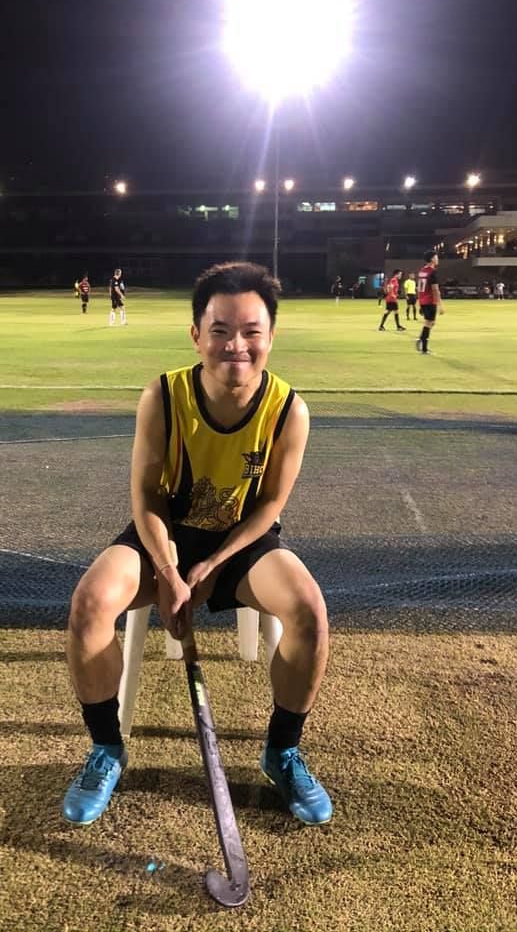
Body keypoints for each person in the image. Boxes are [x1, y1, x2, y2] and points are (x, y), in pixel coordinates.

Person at [63, 260, 332, 828]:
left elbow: (269, 507)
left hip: (239, 544)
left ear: (271, 335)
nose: (237, 345)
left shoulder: (289, 410)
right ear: (196, 334)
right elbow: (145, 497)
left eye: (251, 331)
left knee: (309, 609)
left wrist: (212, 563)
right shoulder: (164, 395)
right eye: (220, 330)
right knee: (90, 602)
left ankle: (282, 751)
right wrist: (168, 571)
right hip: (162, 535)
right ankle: (106, 748)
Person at [416, 250, 444, 355]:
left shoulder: (422, 271)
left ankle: (421, 339)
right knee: (429, 323)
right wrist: (440, 305)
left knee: (430, 322)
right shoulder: (432, 272)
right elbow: (435, 289)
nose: (437, 259)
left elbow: (419, 288)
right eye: (436, 257)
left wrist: (419, 302)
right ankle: (424, 348)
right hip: (430, 300)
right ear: (432, 259)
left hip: (423, 300)